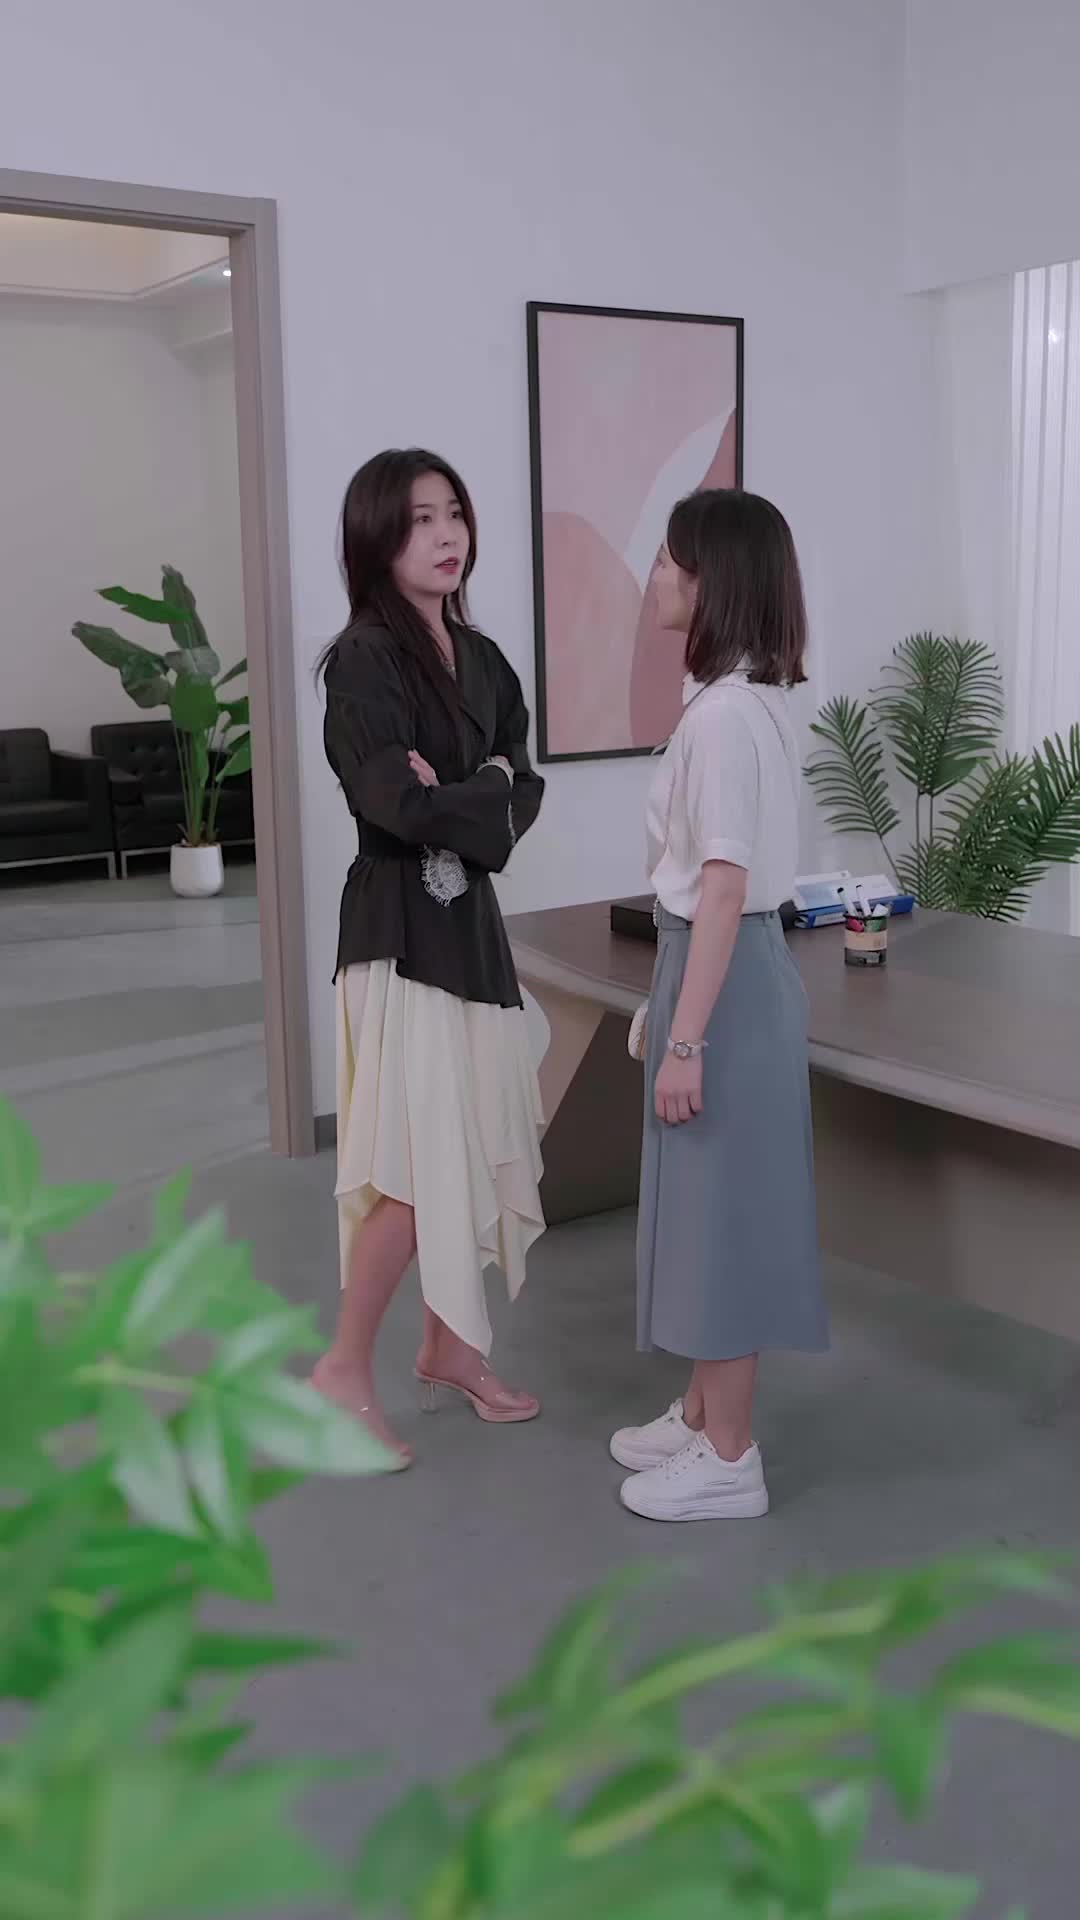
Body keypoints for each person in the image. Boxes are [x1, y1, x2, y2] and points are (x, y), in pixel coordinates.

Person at [313, 448, 546, 1464]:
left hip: (469, 926)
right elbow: (393, 806)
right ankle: (341, 1369)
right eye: (419, 520)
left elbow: (524, 790)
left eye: (454, 512)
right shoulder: (363, 660)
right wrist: (477, 790)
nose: (446, 534)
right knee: (415, 1164)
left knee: (474, 1137)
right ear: (379, 538)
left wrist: (469, 792)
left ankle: (450, 1347)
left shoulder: (484, 659)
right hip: (398, 932)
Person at [611, 488, 828, 1522]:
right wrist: (670, 1007)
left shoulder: (729, 719)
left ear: (711, 583)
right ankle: (702, 1415)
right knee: (702, 1211)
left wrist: (687, 1036)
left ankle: (731, 1457)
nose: (655, 575)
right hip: (712, 968)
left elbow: (727, 890)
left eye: (668, 560)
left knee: (723, 1220)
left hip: (725, 977)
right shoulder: (735, 704)